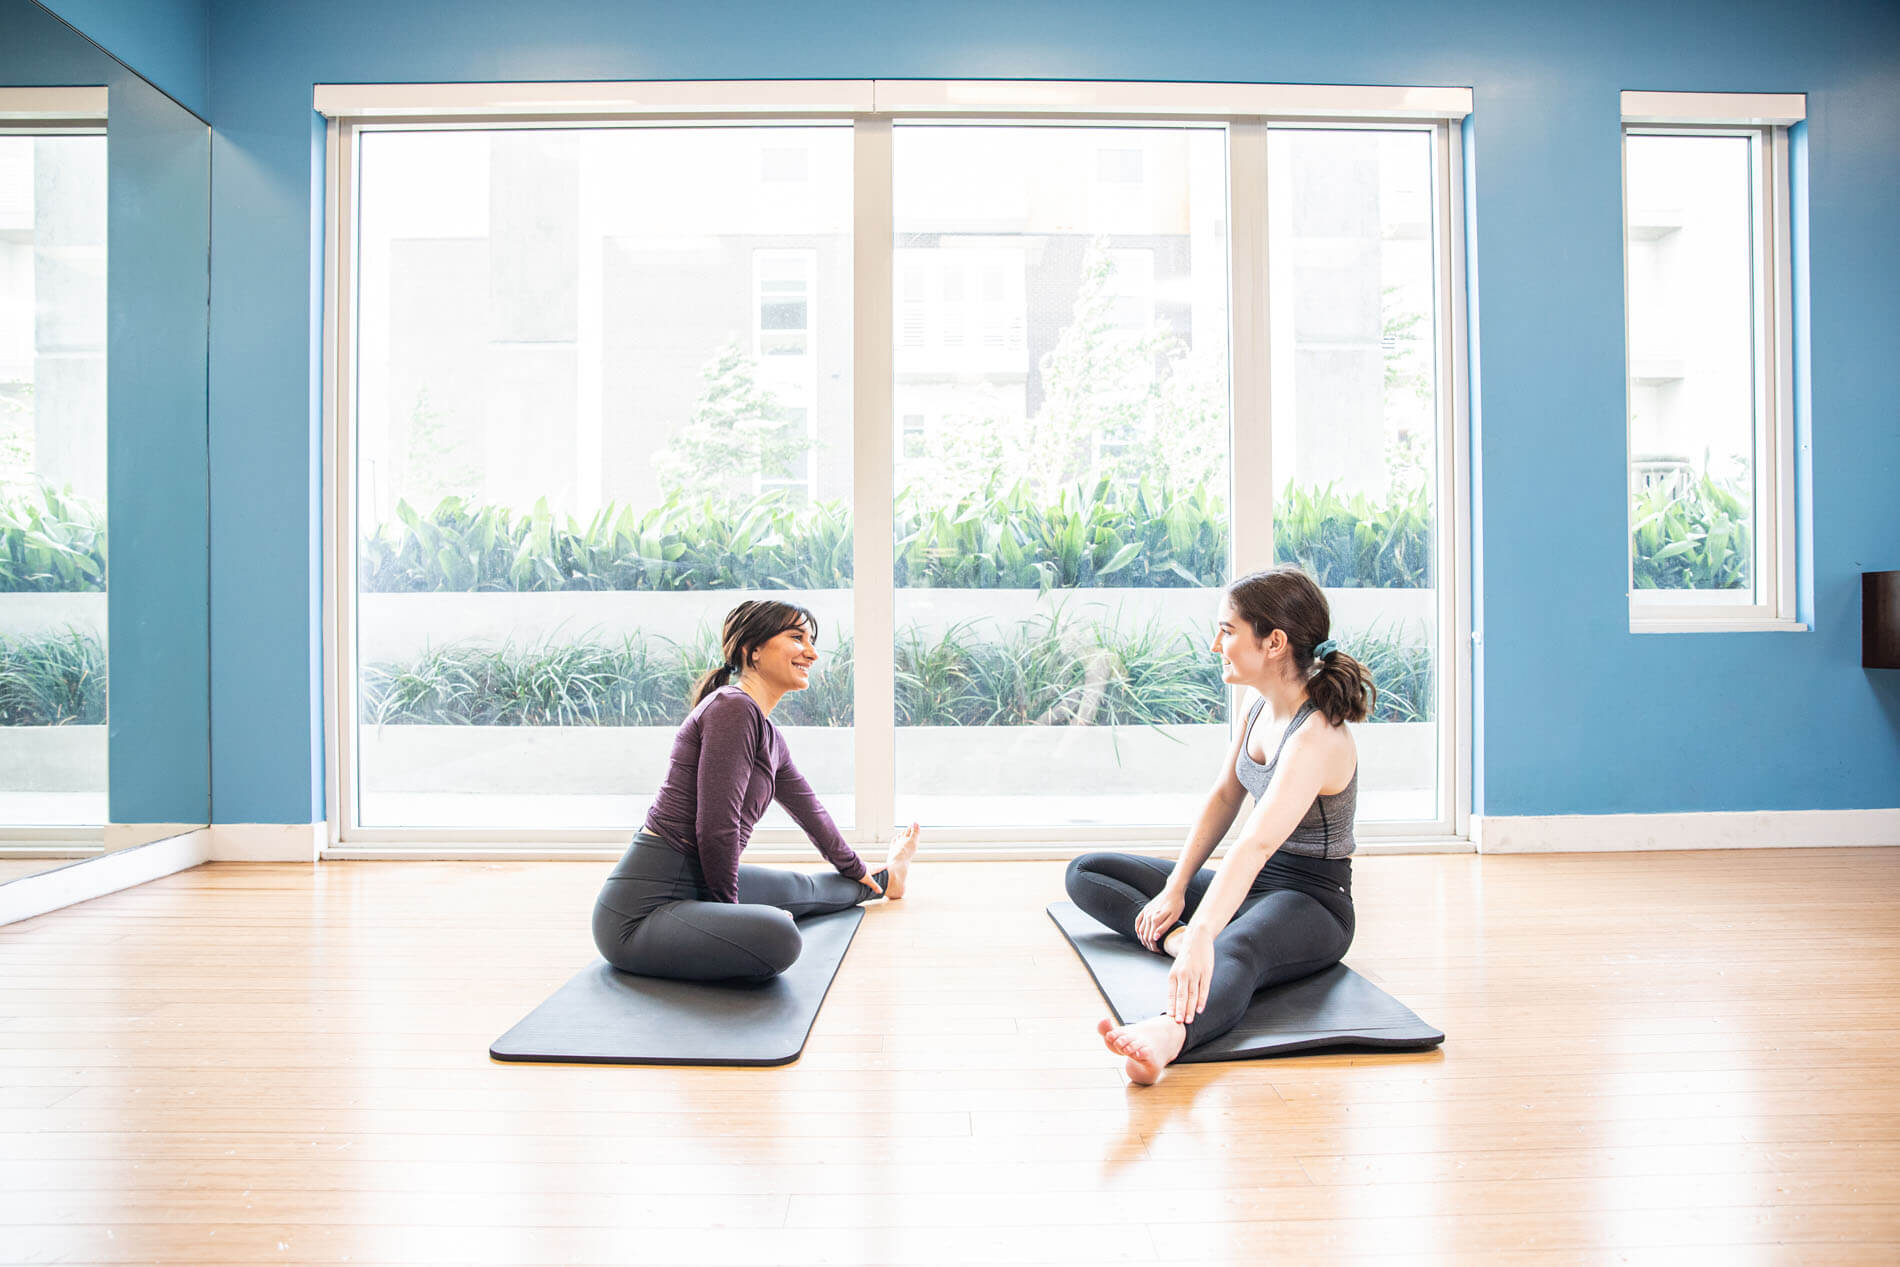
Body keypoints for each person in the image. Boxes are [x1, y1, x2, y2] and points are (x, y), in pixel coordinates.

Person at [1064, 565, 1375, 1083]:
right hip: (1254, 885)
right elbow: (1224, 795)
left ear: (1273, 642)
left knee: (1236, 948)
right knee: (1089, 871)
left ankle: (1167, 1037)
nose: (1216, 645)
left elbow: (1254, 844)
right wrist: (1176, 889)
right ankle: (1174, 940)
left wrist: (1206, 931)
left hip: (1312, 902)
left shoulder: (1317, 733)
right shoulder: (1258, 708)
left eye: (1227, 631)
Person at [592, 599, 919, 982]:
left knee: (804, 888)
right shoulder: (732, 708)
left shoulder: (767, 733)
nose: (811, 653)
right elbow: (717, 829)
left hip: (695, 884)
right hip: (639, 914)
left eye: (811, 641)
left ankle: (888, 880)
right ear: (754, 650)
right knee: (781, 935)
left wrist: (857, 868)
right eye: (797, 638)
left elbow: (810, 811)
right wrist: (731, 917)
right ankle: (749, 918)